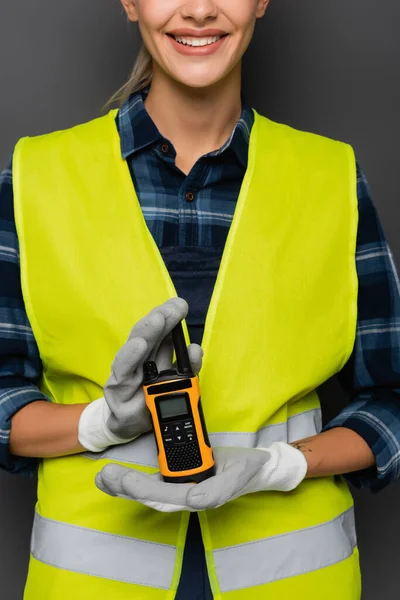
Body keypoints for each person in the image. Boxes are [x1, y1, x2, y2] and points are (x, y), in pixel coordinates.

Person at [1, 0, 400, 598]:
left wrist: (284, 465)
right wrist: (98, 425)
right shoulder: (37, 177)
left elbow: (390, 397)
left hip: (296, 582)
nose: (198, 10)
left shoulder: (331, 177)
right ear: (130, 3)